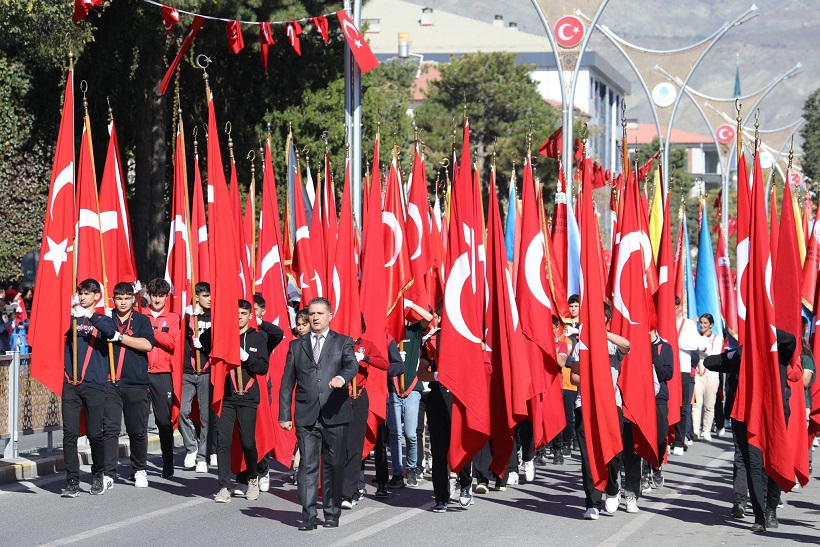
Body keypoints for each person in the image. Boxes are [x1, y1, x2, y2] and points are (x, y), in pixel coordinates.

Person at [704, 329, 796, 533]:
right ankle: (759, 514)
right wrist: (735, 353)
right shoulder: (741, 354)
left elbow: (790, 340)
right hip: (747, 416)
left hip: (775, 414)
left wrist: (766, 326)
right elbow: (708, 362)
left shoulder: (778, 351)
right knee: (753, 464)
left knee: (773, 463)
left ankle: (771, 508)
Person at [279, 297, 359, 530]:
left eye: (319, 313)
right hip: (306, 415)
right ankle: (308, 516)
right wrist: (285, 414)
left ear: (329, 315)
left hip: (335, 413)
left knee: (333, 465)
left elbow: (351, 365)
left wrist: (342, 379)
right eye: (312, 313)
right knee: (307, 466)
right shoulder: (296, 345)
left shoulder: (343, 342)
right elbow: (287, 383)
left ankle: (332, 513)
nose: (315, 317)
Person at [201, 299, 270, 503]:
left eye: (243, 313)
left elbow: (262, 367)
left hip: (247, 396)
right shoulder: (224, 335)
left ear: (250, 316)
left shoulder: (258, 338)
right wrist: (219, 322)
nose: (239, 317)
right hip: (226, 396)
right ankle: (223, 486)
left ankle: (252, 478)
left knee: (248, 442)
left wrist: (246, 357)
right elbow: (205, 341)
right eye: (236, 314)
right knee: (223, 442)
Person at [570, 302, 630, 520]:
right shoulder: (580, 345)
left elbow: (627, 345)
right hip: (584, 403)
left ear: (605, 319)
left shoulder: (612, 344)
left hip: (610, 403)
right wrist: (589, 379)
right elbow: (573, 376)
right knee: (588, 455)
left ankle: (613, 488)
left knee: (613, 453)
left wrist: (603, 334)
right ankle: (592, 502)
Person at [61, 279, 117, 497]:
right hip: (71, 382)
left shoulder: (103, 318)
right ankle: (72, 480)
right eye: (80, 293)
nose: (83, 297)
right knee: (69, 434)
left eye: (87, 293)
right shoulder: (72, 319)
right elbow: (55, 330)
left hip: (94, 383)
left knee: (95, 433)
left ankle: (97, 474)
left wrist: (87, 314)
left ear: (97, 296)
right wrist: (71, 314)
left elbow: (110, 332)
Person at [417, 301, 474, 513]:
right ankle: (441, 496)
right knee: (439, 449)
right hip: (439, 395)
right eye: (443, 316)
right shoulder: (431, 340)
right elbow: (420, 372)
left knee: (461, 445)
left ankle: (466, 485)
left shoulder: (467, 338)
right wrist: (438, 375)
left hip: (460, 397)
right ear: (439, 318)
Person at [103, 281, 155, 489]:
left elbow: (147, 344)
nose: (123, 302)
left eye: (127, 298)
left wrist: (121, 337)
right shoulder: (106, 320)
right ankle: (108, 472)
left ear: (133, 299)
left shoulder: (142, 320)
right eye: (119, 298)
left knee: (137, 430)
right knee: (110, 429)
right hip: (111, 382)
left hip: (136, 383)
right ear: (113, 299)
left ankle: (140, 469)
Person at [233, 294, 284, 494]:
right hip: (236, 388)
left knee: (258, 431)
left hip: (260, 388)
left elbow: (278, 334)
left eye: (253, 312)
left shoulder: (261, 336)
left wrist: (261, 322)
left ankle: (262, 470)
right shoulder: (233, 332)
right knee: (242, 434)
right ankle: (243, 475)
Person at [341, 318, 389, 509]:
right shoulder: (339, 343)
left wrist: (366, 358)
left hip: (359, 396)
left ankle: (350, 491)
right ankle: (339, 488)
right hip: (339, 398)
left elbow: (384, 364)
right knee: (339, 445)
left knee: (354, 446)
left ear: (362, 327)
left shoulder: (366, 345)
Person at [386, 301, 433, 489]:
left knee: (411, 434)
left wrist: (410, 303)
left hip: (413, 389)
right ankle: (397, 473)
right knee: (395, 434)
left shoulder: (413, 330)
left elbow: (429, 318)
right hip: (393, 389)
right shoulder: (388, 333)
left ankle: (412, 468)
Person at [145, 278, 181, 479]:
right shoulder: (140, 314)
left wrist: (151, 332)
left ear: (166, 296)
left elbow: (172, 343)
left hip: (163, 373)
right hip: (141, 373)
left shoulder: (173, 317)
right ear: (148, 295)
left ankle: (168, 462)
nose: (157, 299)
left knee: (163, 421)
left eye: (161, 295)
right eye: (154, 295)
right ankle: (139, 467)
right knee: (139, 422)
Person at [180, 282, 213, 473]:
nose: (209, 299)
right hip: (188, 371)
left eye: (210, 295)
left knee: (206, 416)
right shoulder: (189, 314)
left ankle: (203, 455)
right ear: (197, 297)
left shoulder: (214, 315)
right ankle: (191, 447)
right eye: (205, 295)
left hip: (207, 372)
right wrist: (187, 317)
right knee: (182, 412)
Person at [641, 329, 675, 494]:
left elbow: (667, 374)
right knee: (643, 437)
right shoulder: (638, 345)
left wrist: (653, 353)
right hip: (641, 398)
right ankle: (644, 473)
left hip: (659, 398)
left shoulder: (665, 348)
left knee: (661, 439)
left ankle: (657, 465)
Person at [672, 297, 700, 455]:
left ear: (679, 307)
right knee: (667, 405)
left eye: (673, 306)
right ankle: (669, 439)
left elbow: (693, 344)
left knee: (682, 406)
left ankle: (678, 440)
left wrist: (676, 342)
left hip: (683, 368)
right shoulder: (664, 321)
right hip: (668, 367)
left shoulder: (688, 324)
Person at [692, 314, 723, 441]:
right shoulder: (695, 336)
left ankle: (706, 430)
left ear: (711, 325)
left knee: (709, 405)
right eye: (701, 323)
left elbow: (715, 354)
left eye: (705, 323)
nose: (702, 325)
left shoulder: (717, 338)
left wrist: (704, 350)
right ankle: (695, 430)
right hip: (698, 373)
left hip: (712, 375)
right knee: (696, 403)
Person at [553, 315, 575, 465]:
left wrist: (546, 345)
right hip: (541, 385)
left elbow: (561, 362)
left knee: (559, 418)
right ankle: (538, 452)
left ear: (556, 328)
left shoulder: (562, 344)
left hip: (558, 386)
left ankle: (558, 450)